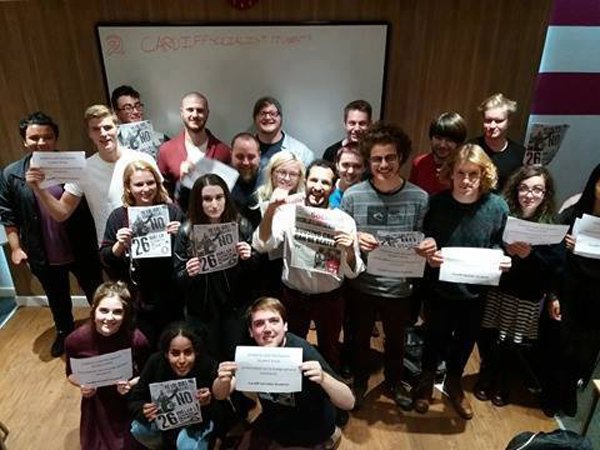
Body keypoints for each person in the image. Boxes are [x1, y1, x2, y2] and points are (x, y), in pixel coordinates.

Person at [412, 144, 511, 419]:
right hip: (439, 288)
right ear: (451, 173)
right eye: (460, 173)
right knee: (434, 336)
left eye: (473, 174)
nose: (466, 180)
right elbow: (425, 236)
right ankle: (425, 381)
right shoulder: (437, 203)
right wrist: (428, 247)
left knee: (466, 341)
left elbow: (500, 242)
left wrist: (500, 256)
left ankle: (454, 383)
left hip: (476, 293)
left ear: (484, 175)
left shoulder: (497, 206)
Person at [340, 121, 432, 411]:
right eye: (377, 158)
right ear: (368, 160)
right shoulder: (353, 195)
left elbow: (424, 236)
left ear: (401, 156)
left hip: (400, 287)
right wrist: (354, 237)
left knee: (396, 342)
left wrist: (427, 245)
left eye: (390, 157)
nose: (384, 164)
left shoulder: (419, 197)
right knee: (358, 337)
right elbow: (341, 235)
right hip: (361, 284)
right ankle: (359, 381)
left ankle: (394, 382)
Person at [0, 112, 102, 357]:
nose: (41, 142)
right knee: (57, 297)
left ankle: (105, 331)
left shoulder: (74, 165)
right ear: (25, 141)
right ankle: (64, 333)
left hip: (80, 245)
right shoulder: (12, 174)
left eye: (47, 137)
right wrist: (15, 247)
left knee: (96, 291)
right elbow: (8, 215)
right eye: (34, 137)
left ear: (56, 139)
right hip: (42, 250)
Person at [252, 159, 364, 371]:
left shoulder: (344, 220)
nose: (318, 187)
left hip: (330, 299)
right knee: (291, 351)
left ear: (332, 188)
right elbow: (263, 244)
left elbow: (353, 271)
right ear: (305, 182)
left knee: (330, 351)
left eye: (325, 182)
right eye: (313, 180)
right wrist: (271, 211)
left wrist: (348, 249)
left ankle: (330, 398)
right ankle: (294, 398)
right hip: (294, 297)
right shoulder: (287, 213)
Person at [213, 297, 355, 449]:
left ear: (285, 326)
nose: (267, 328)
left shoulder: (303, 350)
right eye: (259, 323)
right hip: (277, 423)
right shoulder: (249, 354)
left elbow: (349, 402)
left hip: (311, 430)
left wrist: (323, 378)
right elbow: (220, 394)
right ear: (251, 331)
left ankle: (330, 438)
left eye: (274, 321)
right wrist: (222, 380)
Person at [476, 166, 564, 407]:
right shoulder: (504, 213)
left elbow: (556, 267)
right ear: (516, 189)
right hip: (500, 288)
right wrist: (504, 251)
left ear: (545, 194)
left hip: (527, 295)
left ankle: (504, 381)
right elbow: (489, 244)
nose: (530, 194)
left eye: (537, 189)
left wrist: (530, 255)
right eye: (524, 188)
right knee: (490, 336)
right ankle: (486, 375)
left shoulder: (551, 223)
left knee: (514, 343)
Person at [25, 104, 161, 246]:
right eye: (96, 129)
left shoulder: (144, 159)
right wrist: (38, 188)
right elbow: (62, 213)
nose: (103, 133)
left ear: (117, 128)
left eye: (107, 127)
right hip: (111, 248)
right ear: (89, 133)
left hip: (150, 240)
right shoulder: (83, 168)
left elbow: (162, 198)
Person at [100, 160, 185, 348]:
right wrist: (119, 245)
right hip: (136, 295)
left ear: (157, 183)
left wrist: (182, 234)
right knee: (143, 344)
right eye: (139, 184)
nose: (145, 189)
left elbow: (189, 252)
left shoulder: (172, 211)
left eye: (150, 182)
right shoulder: (118, 216)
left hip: (170, 294)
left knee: (171, 342)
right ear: (128, 188)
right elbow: (105, 258)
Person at [173, 174, 258, 361]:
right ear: (197, 201)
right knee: (208, 356)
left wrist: (249, 257)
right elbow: (177, 279)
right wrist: (188, 272)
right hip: (202, 308)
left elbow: (257, 273)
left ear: (226, 198)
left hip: (235, 305)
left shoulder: (241, 224)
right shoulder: (186, 231)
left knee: (235, 355)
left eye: (219, 197)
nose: (214, 204)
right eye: (207, 199)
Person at [65, 281, 150, 450]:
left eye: (117, 312)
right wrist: (83, 385)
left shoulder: (137, 339)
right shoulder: (75, 340)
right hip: (96, 402)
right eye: (104, 310)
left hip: (127, 399)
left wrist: (131, 384)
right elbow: (70, 374)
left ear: (125, 314)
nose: (109, 318)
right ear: (93, 310)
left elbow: (148, 373)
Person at [129, 323, 230, 449]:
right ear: (166, 354)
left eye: (188, 352)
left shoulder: (207, 365)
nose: (182, 360)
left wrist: (207, 403)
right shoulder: (155, 362)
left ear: (196, 352)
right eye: (175, 353)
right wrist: (143, 409)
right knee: (139, 429)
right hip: (165, 425)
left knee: (187, 446)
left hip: (197, 425)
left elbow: (223, 412)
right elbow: (135, 400)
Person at [549, 163, 600, 416]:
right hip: (570, 291)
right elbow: (555, 257)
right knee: (562, 346)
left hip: (597, 298)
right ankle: (552, 393)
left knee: (586, 351)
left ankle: (570, 392)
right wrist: (554, 295)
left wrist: (586, 248)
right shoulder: (574, 214)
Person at [157, 92, 231, 209]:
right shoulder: (166, 150)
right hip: (181, 222)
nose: (195, 115)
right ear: (182, 113)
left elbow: (229, 195)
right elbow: (162, 192)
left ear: (207, 114)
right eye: (190, 110)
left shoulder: (224, 151)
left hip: (214, 223)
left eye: (200, 110)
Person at [255, 151, 306, 298]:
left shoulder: (306, 202)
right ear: (272, 173)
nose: (287, 178)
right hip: (267, 272)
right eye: (281, 172)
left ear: (300, 177)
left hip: (297, 274)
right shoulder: (257, 201)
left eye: (293, 174)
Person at [471, 93, 526, 190]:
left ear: (509, 122)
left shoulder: (520, 153)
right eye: (488, 120)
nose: (492, 126)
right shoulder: (470, 148)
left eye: (498, 121)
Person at [409, 112, 467, 194]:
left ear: (458, 143)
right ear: (431, 138)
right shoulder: (419, 163)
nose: (442, 145)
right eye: (438, 138)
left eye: (449, 140)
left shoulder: (463, 168)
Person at [253, 96, 314, 171]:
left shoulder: (302, 153)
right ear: (255, 119)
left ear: (281, 118)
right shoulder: (242, 149)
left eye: (273, 113)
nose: (268, 117)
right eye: (263, 113)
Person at [111, 85, 167, 160]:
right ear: (116, 113)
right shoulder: (113, 145)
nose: (136, 111)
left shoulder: (162, 139)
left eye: (138, 106)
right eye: (128, 108)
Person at [230, 132, 262, 229]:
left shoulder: (270, 181)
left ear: (259, 156)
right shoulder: (221, 182)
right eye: (240, 157)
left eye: (251, 157)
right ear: (231, 154)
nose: (246, 162)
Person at [329, 142, 366, 209]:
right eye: (345, 165)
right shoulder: (327, 189)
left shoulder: (368, 195)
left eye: (356, 166)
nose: (350, 171)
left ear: (364, 168)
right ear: (337, 165)